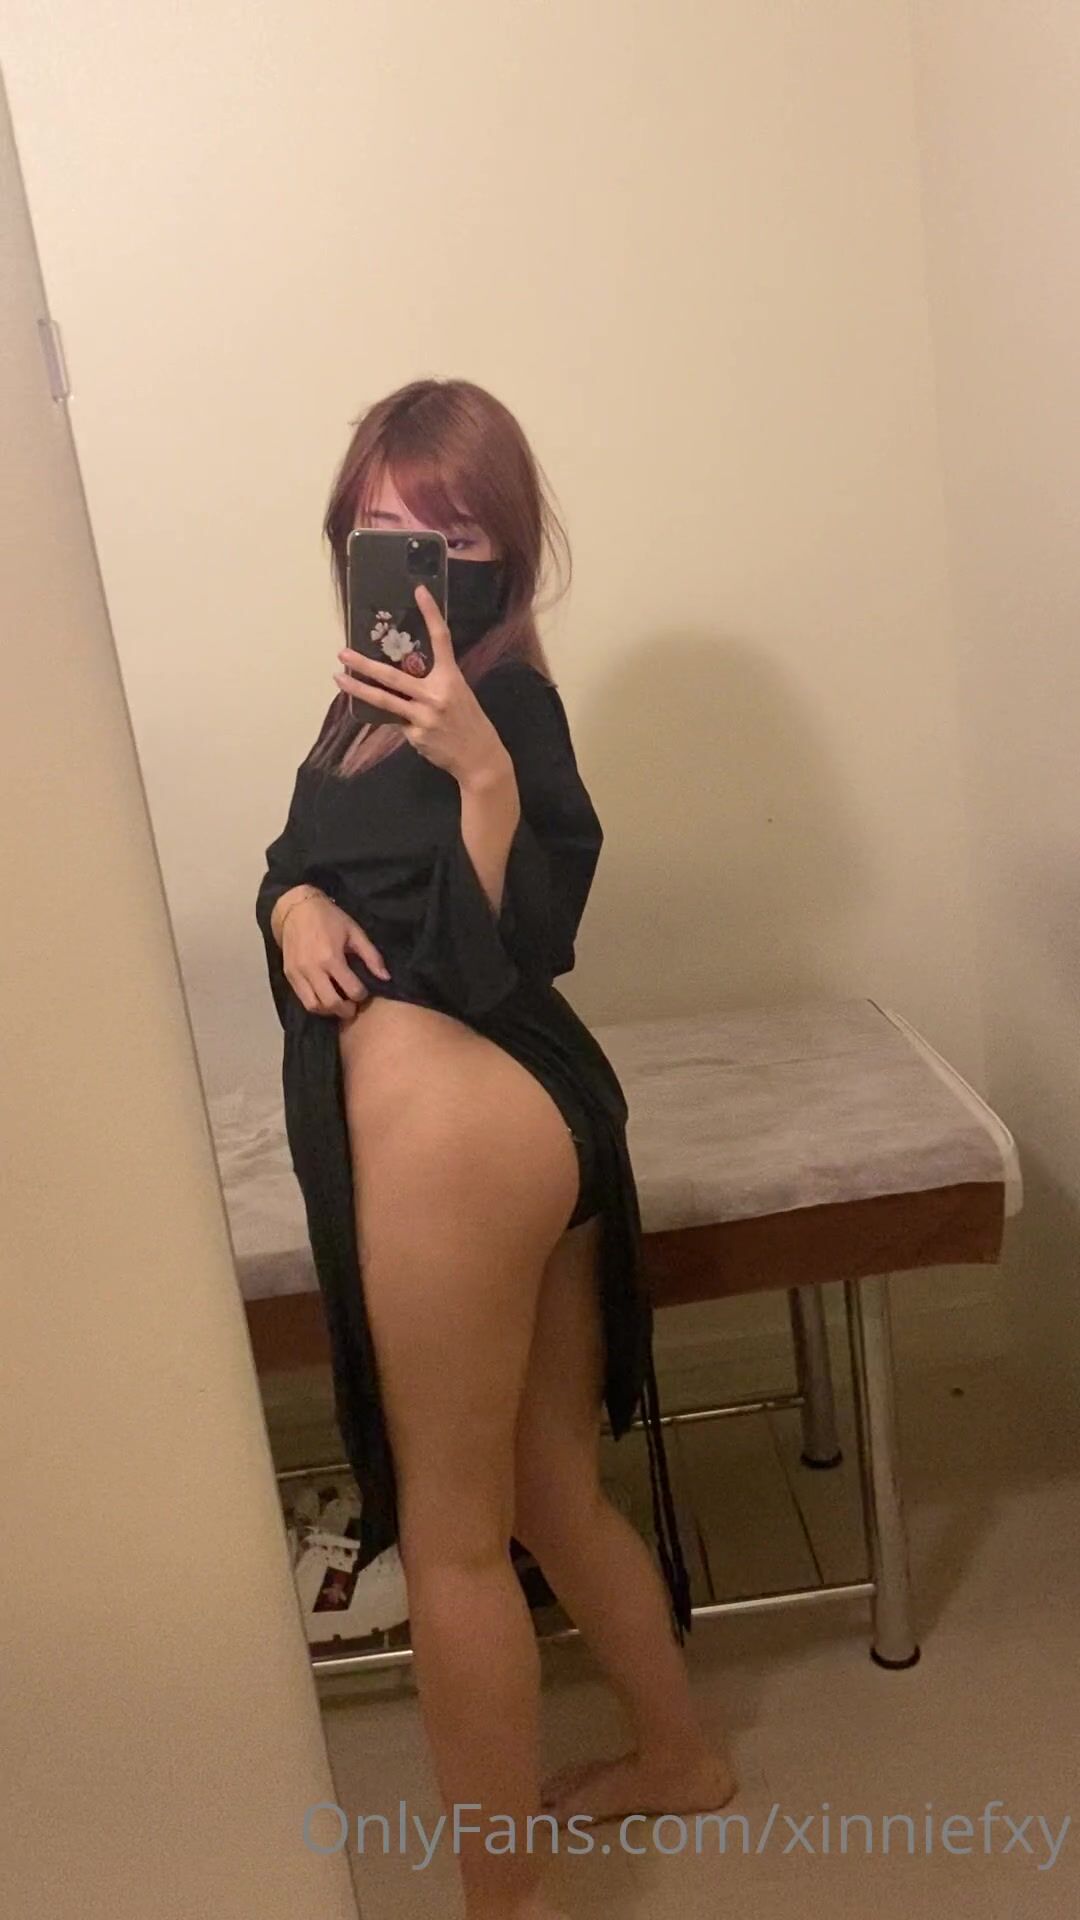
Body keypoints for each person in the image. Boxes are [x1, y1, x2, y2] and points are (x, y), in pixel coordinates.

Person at [255, 378, 735, 1920]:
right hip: (512, 1122)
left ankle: (499, 1903)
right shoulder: (356, 704)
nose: (416, 563)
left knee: (454, 1545)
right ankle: (680, 1758)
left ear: (508, 552)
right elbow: (297, 860)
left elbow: (487, 958)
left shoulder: (506, 709)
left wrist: (481, 774)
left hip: (462, 1114)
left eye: (451, 535)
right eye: (386, 530)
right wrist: (293, 905)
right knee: (545, 1488)